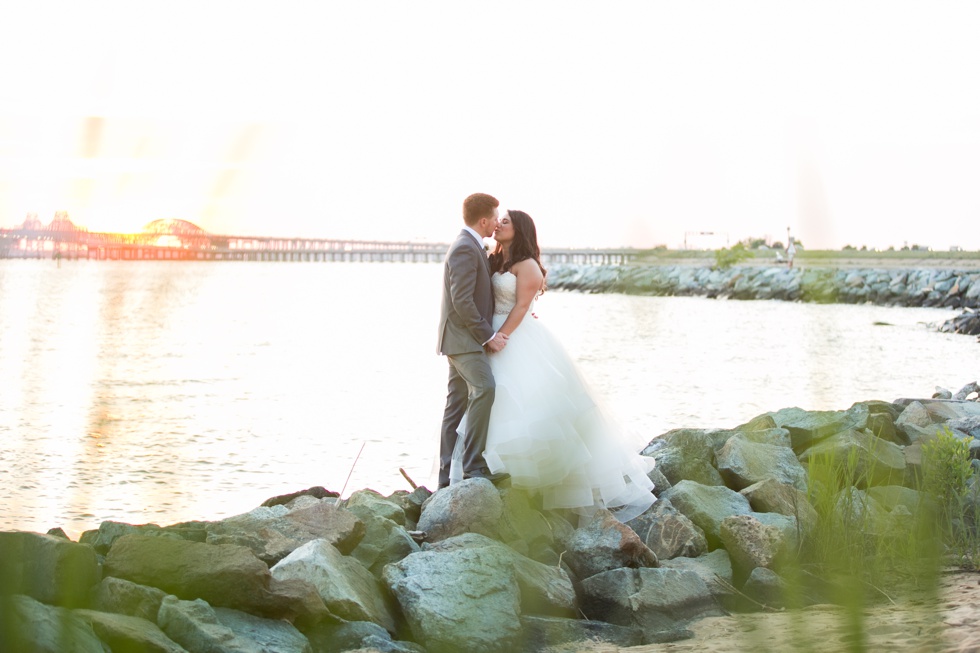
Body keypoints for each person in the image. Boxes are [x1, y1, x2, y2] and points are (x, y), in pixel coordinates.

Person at [454, 209, 656, 523]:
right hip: (489, 334)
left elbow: (522, 306)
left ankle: (534, 483)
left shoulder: (528, 265)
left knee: (522, 401)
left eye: (505, 221)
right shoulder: (494, 258)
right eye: (497, 220)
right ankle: (492, 470)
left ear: (519, 229)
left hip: (512, 336)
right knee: (492, 399)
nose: (497, 224)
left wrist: (500, 336)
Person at [436, 193, 511, 489]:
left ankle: (446, 479)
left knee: (455, 405)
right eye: (495, 217)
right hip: (463, 340)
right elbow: (462, 300)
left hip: (460, 339)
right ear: (483, 220)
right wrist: (488, 336)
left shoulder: (471, 246)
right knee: (485, 389)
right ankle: (473, 466)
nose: (496, 223)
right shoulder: (465, 248)